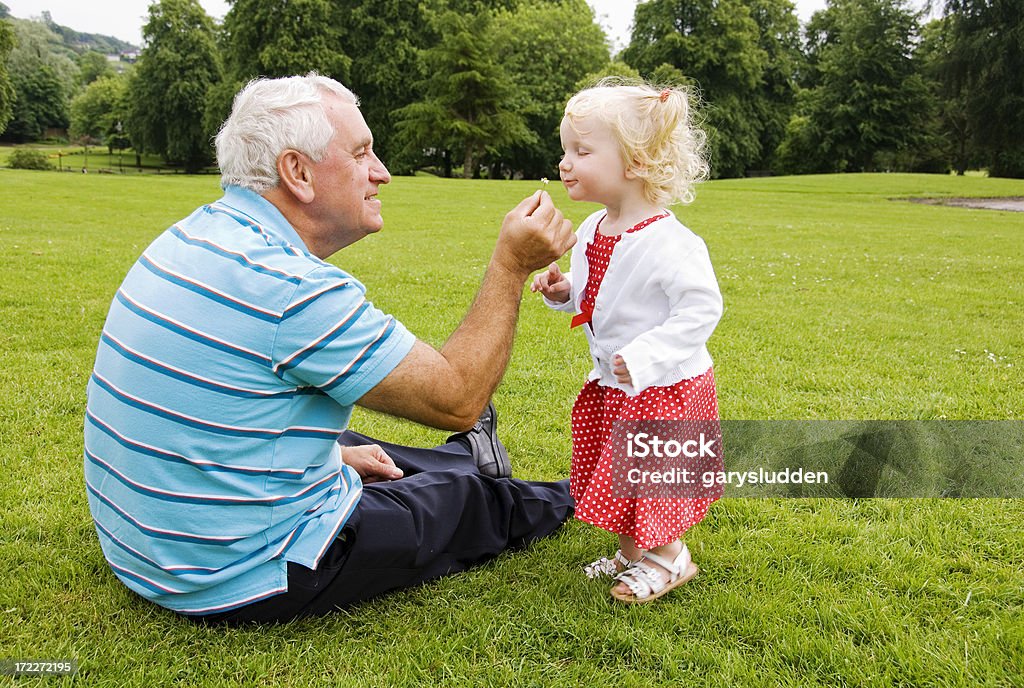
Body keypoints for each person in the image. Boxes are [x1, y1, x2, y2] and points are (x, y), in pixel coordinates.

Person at [83, 73, 576, 623]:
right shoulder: (289, 288)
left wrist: (334, 457)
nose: (381, 173)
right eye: (361, 152)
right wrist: (511, 265)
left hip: (148, 547)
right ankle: (578, 494)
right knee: (468, 506)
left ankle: (465, 457)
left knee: (344, 439)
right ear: (297, 172)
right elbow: (458, 397)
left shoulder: (190, 237)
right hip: (236, 570)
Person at [531, 80, 723, 603]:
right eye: (566, 149)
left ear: (634, 162)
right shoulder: (594, 227)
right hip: (617, 381)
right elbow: (593, 296)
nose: (565, 162)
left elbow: (701, 310)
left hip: (663, 385)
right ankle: (630, 553)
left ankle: (671, 558)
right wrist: (563, 292)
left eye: (582, 151)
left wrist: (645, 356)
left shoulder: (671, 243)